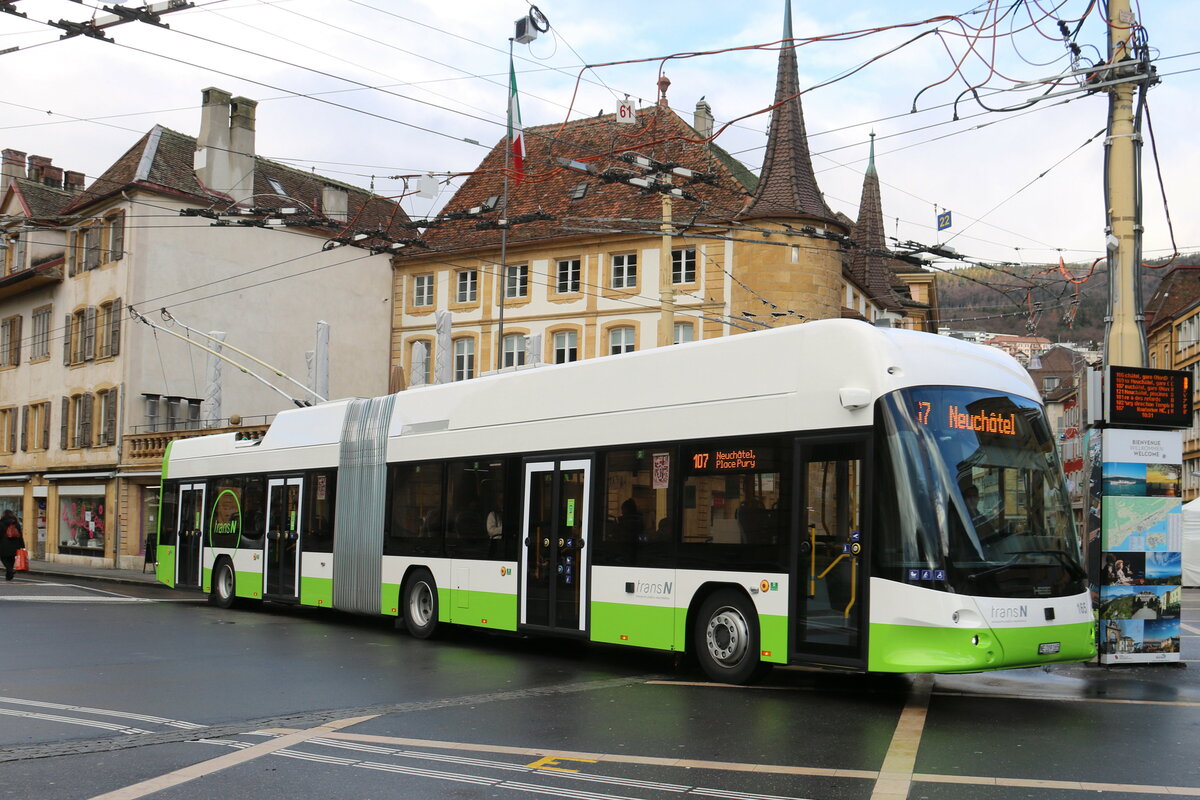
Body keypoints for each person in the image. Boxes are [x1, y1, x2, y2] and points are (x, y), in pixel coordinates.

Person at [1, 509, 26, 582]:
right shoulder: (16, 524)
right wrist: (22, 546)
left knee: (4, 559)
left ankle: (10, 571)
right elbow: (20, 535)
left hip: (3, 545)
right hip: (15, 545)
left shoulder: (1, 523)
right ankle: (9, 576)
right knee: (11, 560)